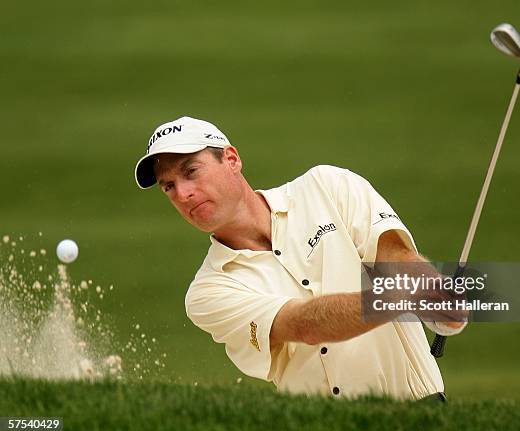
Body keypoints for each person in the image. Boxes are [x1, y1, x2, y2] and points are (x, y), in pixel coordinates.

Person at [134, 116, 466, 401]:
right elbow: (303, 324)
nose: (183, 194)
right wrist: (400, 296)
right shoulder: (207, 292)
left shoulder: (327, 186)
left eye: (191, 171)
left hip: (419, 411)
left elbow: (395, 256)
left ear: (232, 159)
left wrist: (435, 295)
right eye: (168, 187)